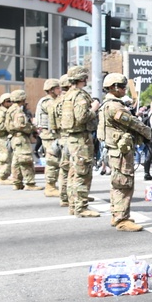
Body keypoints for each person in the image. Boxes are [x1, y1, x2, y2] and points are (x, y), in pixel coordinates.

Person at [99, 73, 152, 232]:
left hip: (115, 149)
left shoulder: (107, 104)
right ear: (114, 87)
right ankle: (122, 219)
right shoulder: (115, 106)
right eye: (122, 87)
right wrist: (147, 132)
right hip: (120, 151)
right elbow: (132, 122)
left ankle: (117, 214)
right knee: (124, 183)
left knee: (117, 183)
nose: (124, 90)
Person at [59, 67, 100, 216]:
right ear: (82, 79)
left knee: (73, 172)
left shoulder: (67, 95)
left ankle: (73, 204)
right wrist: (94, 109)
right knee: (83, 172)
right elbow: (82, 116)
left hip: (71, 138)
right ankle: (81, 207)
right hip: (81, 138)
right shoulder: (80, 96)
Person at [6, 90, 42, 191]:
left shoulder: (10, 109)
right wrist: (33, 128)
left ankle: (17, 182)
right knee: (26, 160)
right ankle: (30, 183)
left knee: (17, 161)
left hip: (14, 138)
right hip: (21, 138)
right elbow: (21, 126)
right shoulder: (18, 111)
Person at [35, 78, 62, 196]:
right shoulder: (48, 101)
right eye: (58, 88)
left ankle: (53, 185)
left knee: (56, 160)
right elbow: (56, 110)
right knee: (53, 160)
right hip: (49, 135)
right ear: (52, 90)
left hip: (52, 134)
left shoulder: (51, 100)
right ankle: (50, 186)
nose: (60, 90)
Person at [49, 75, 72, 207]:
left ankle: (64, 197)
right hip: (71, 138)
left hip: (60, 138)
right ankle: (73, 197)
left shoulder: (55, 102)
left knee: (64, 169)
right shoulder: (69, 100)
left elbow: (53, 125)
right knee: (75, 170)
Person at [0, 93, 13, 185]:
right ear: (3, 102)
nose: (11, 103)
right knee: (5, 158)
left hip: (8, 138)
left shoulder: (8, 111)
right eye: (8, 101)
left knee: (10, 158)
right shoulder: (1, 113)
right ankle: (3, 177)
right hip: (3, 138)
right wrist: (11, 127)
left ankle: (7, 175)